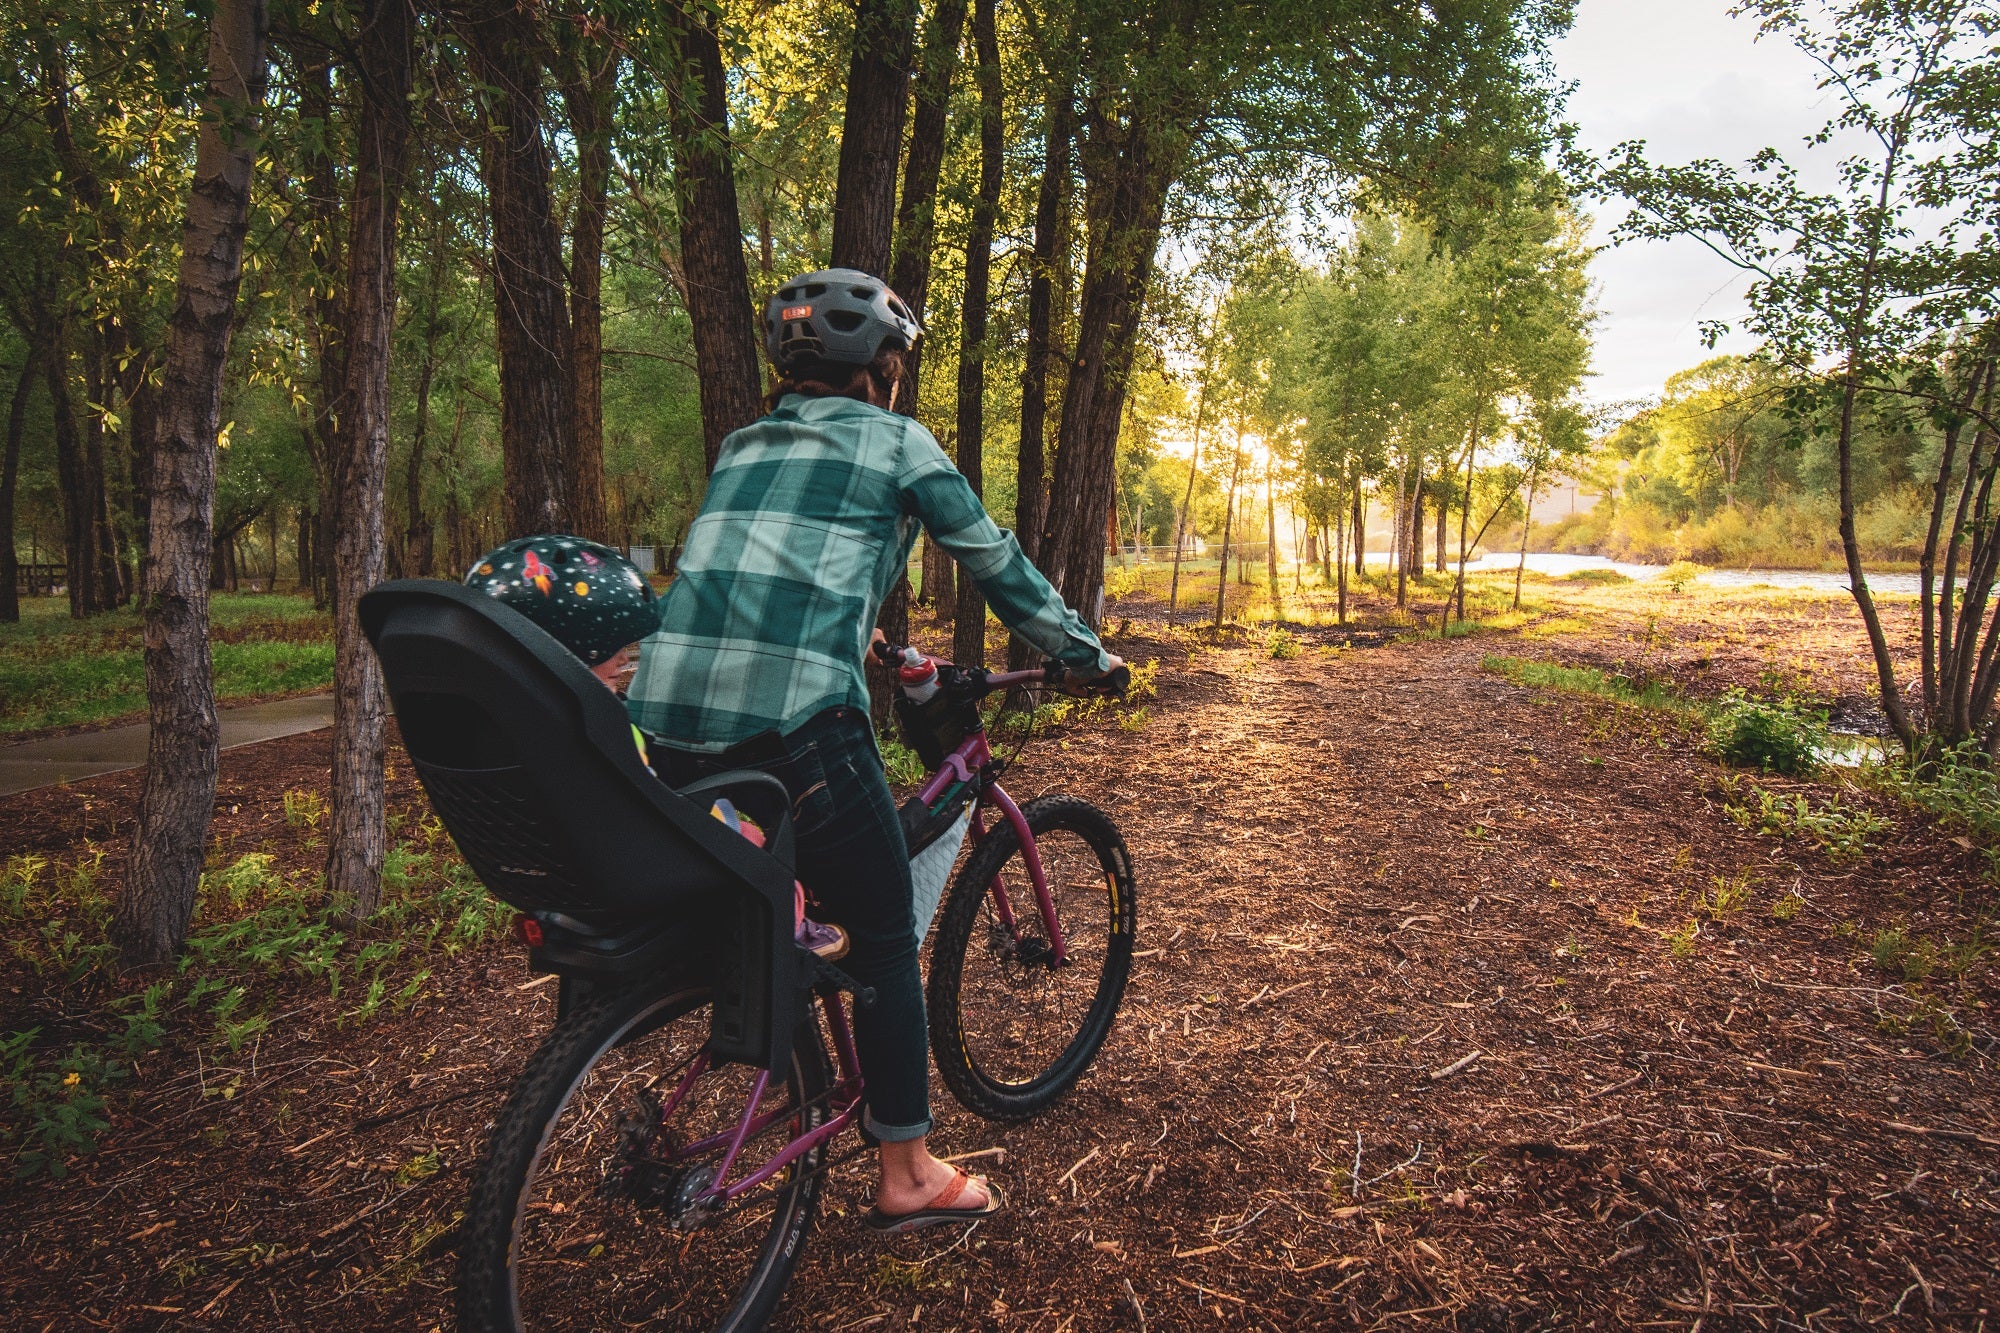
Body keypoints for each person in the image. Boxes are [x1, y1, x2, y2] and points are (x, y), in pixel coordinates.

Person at [626, 267, 1123, 1233]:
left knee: (808, 903)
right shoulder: (898, 440)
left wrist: (881, 645)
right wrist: (1084, 654)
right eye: (898, 363)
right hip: (795, 738)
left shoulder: (743, 444)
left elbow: (760, 583)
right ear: (885, 369)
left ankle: (802, 1003)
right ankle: (905, 1172)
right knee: (890, 935)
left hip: (667, 742)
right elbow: (996, 563)